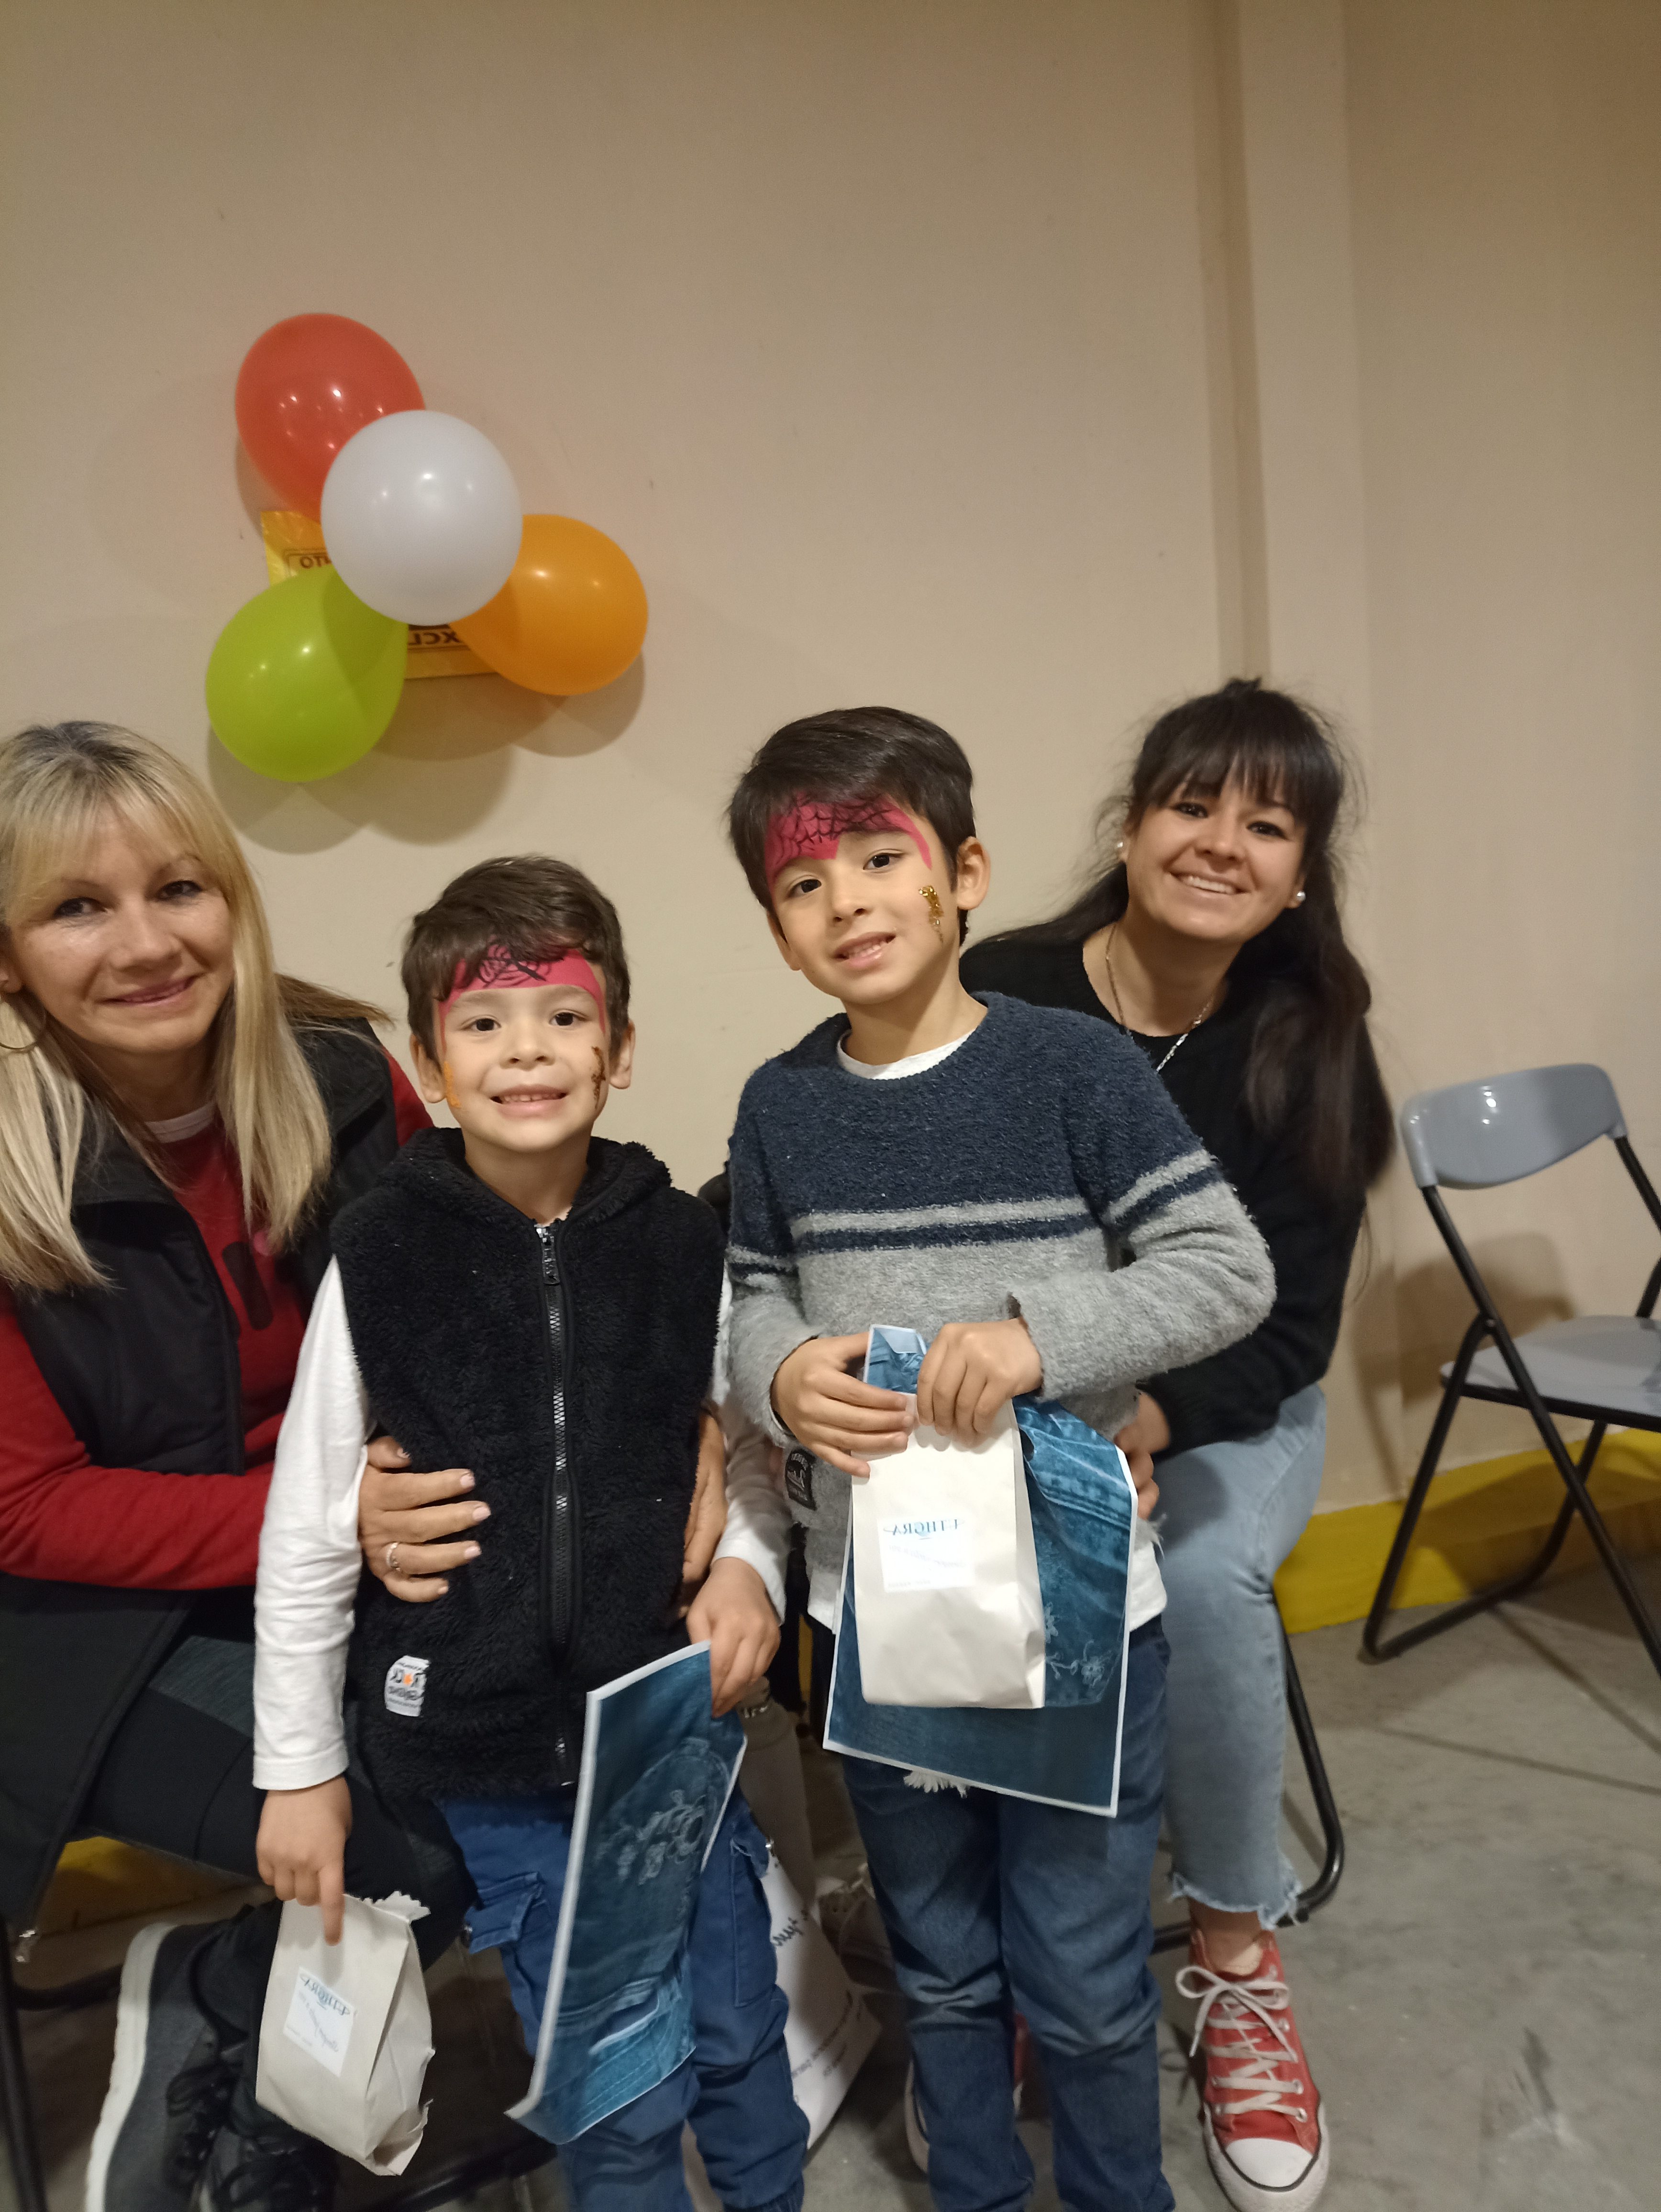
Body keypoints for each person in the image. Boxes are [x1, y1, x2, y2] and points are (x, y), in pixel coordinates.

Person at [720, 708, 1276, 2212]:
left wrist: (1044, 1337)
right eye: (803, 884)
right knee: (945, 1967)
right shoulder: (780, 1106)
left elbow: (1227, 1271)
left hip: (1081, 1623)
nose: (849, 901)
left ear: (964, 873)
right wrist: (774, 1372)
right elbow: (753, 1292)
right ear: (777, 931)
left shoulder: (1072, 1072)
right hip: (876, 1625)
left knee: (1090, 1985)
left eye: (883, 858)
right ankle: (972, 2186)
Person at [253, 855, 808, 2212]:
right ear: (435, 1072)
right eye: (485, 1024)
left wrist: (748, 1568)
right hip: (490, 1751)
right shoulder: (381, 1254)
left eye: (564, 1017)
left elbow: (738, 1451)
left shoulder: (681, 1243)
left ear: (619, 1050)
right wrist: (298, 1768)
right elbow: (312, 1529)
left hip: (668, 1736)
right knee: (620, 2091)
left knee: (742, 2040)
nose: (528, 1052)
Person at [0, 721, 467, 2212]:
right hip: (80, 1630)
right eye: (77, 907)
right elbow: (27, 1508)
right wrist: (327, 1516)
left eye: (180, 889)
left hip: (318, 1562)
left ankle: (233, 2008)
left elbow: (441, 1336)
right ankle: (223, 2014)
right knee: (400, 1852)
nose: (145, 944)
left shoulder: (337, 1075)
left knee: (517, 1758)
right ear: (7, 954)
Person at [962, 678, 1392, 2212]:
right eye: (1193, 805)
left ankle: (1231, 1953)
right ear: (1134, 824)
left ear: (1301, 869)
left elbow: (1285, 1334)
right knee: (933, 1545)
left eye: (1266, 824)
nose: (1223, 844)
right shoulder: (1001, 989)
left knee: (1198, 1578)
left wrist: (1148, 1417)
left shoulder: (1313, 1045)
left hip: (1224, 1408)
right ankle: (1012, 1940)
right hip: (1020, 1390)